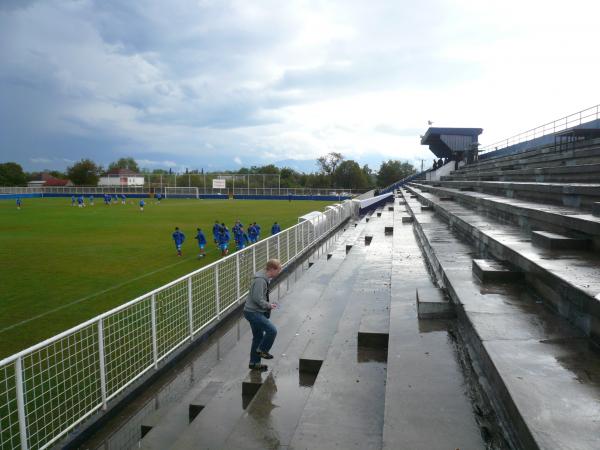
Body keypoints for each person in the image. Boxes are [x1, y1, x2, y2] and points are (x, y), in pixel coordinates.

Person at [244, 259, 282, 371]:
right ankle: (263, 350)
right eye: (278, 271)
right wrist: (268, 305)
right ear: (272, 269)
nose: (279, 273)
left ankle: (254, 363)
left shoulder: (263, 278)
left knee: (258, 337)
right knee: (272, 331)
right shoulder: (261, 280)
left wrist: (268, 305)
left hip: (252, 311)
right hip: (253, 312)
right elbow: (257, 298)